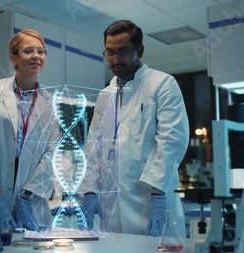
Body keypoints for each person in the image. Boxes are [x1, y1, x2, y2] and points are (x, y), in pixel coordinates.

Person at [79, 20, 190, 237]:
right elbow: (93, 147)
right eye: (109, 53)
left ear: (140, 50)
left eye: (123, 52)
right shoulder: (105, 95)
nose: (115, 60)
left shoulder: (162, 84)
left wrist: (158, 193)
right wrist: (89, 190)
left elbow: (171, 142)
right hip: (110, 206)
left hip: (150, 201)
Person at [0, 29, 58, 232]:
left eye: (41, 51)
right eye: (28, 51)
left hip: (30, 204)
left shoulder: (49, 102)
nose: (36, 56)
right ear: (13, 57)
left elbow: (52, 152)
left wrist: (27, 197)